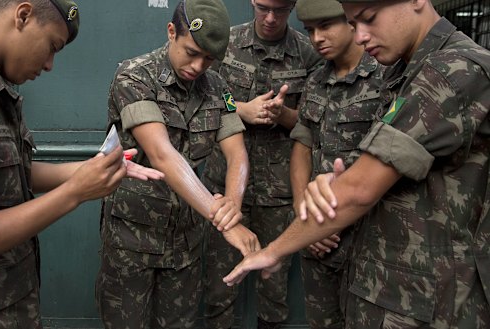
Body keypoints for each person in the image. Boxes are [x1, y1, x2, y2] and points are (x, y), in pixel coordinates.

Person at [223, 0, 490, 327]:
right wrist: (327, 185)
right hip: (386, 282)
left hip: (430, 298)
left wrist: (274, 250)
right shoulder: (404, 70)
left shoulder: (451, 70)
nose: (360, 36)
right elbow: (358, 159)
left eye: (369, 19)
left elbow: (361, 188)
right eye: (353, 23)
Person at [0, 0, 164, 328]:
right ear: (23, 15)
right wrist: (74, 192)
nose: (50, 65)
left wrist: (87, 171)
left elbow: (4, 174)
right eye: (52, 46)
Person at [95, 0, 260, 328]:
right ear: (171, 32)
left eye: (209, 59)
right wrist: (225, 223)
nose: (198, 66)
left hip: (185, 240)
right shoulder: (135, 76)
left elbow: (237, 153)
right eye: (191, 52)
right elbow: (161, 153)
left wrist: (232, 205)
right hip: (132, 237)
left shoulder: (219, 90)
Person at [199, 0, 323, 328]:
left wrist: (284, 116)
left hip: (278, 193)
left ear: (293, 6)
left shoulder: (308, 52)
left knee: (274, 293)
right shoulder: (225, 43)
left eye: (280, 10)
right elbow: (208, 96)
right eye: (264, 7)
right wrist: (239, 108)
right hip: (225, 189)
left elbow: (314, 120)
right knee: (219, 289)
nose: (270, 18)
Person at [290, 0, 386, 328]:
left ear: (351, 21)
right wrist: (305, 212)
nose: (316, 38)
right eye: (310, 30)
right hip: (309, 224)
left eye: (326, 26)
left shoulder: (385, 75)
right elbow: (303, 143)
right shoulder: (315, 80)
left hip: (365, 234)